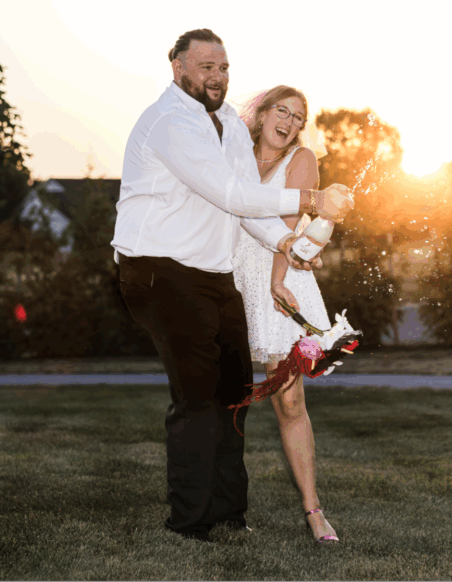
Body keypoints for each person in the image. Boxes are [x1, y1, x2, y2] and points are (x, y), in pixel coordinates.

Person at [111, 29, 353, 543]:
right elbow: (231, 192)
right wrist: (310, 196)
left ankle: (227, 511)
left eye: (222, 67)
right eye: (205, 67)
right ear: (177, 66)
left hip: (211, 273)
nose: (216, 76)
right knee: (197, 396)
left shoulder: (224, 123)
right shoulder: (171, 122)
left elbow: (244, 210)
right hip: (158, 270)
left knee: (233, 392)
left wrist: (285, 246)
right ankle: (190, 521)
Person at [230, 86, 340, 545]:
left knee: (288, 400)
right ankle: (223, 506)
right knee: (224, 398)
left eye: (298, 117)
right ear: (263, 112)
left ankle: (313, 511)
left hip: (283, 278)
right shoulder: (233, 154)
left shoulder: (303, 159)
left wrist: (278, 280)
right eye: (283, 111)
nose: (291, 123)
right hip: (232, 276)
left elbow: (295, 224)